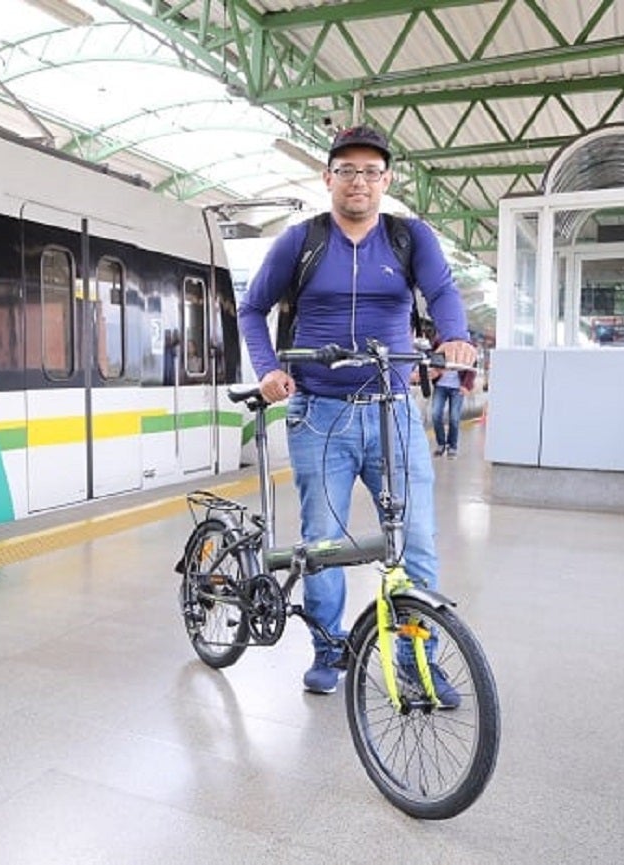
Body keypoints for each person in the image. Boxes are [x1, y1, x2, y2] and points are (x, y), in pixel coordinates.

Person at [236, 125, 477, 699]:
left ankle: (418, 658)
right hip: (319, 413)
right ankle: (328, 647)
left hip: (392, 411)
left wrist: (457, 336)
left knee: (414, 539)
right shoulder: (301, 241)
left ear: (387, 180)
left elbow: (441, 293)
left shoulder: (408, 238)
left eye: (371, 171)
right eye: (347, 171)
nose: (359, 182)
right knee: (323, 540)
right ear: (328, 178)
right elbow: (252, 308)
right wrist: (269, 370)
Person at [429, 339, 477, 458]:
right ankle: (441, 444)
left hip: (457, 387)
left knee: (454, 418)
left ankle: (452, 447)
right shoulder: (439, 341)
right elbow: (433, 359)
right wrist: (435, 372)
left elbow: (472, 367)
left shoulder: (468, 343)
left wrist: (466, 385)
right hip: (440, 385)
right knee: (435, 414)